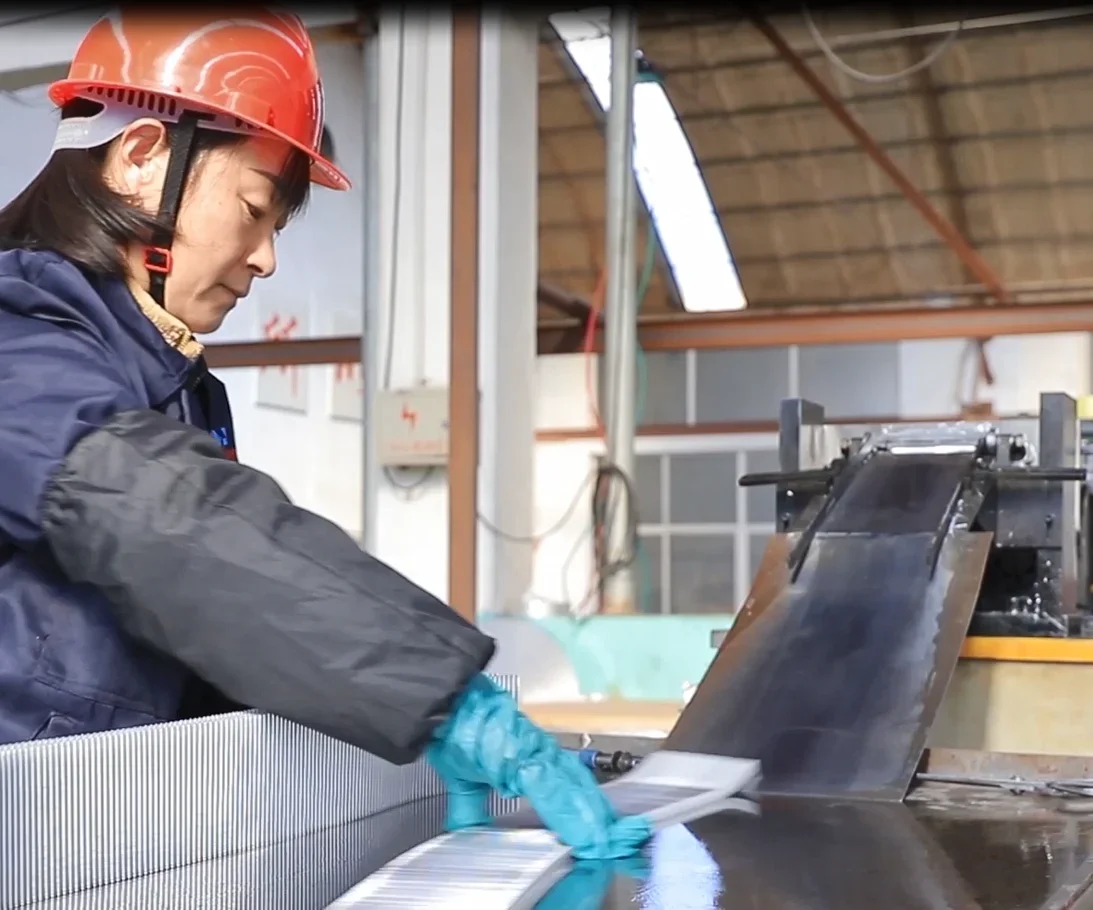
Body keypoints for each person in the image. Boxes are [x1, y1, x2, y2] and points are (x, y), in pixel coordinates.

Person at [0, 9, 651, 861]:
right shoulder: (18, 340)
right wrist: (440, 696)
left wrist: (388, 734)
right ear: (141, 156)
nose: (265, 258)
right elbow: (165, 519)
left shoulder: (170, 385)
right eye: (254, 208)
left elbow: (206, 626)